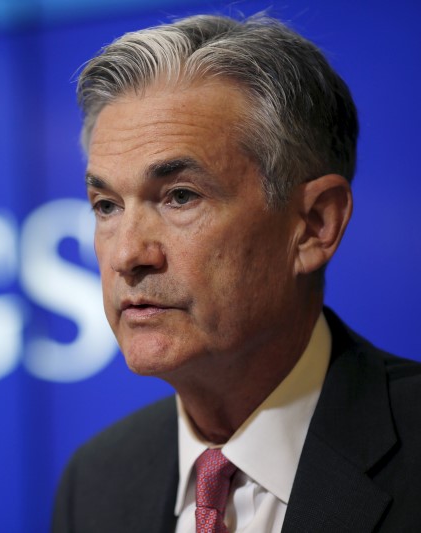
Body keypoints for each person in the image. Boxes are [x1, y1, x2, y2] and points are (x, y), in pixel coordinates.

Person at [52, 13, 421, 533]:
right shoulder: (96, 483)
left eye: (181, 196)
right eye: (106, 205)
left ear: (315, 225)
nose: (127, 254)